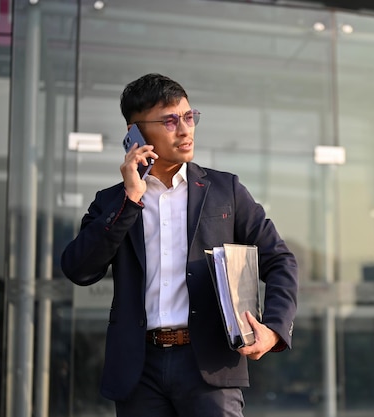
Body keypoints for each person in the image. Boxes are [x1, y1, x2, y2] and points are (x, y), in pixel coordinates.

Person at [61, 73, 298, 417]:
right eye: (170, 121)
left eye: (189, 117)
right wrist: (130, 201)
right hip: (138, 370)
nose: (185, 130)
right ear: (135, 133)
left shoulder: (225, 190)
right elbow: (79, 270)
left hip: (210, 366)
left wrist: (274, 328)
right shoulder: (112, 202)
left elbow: (280, 260)